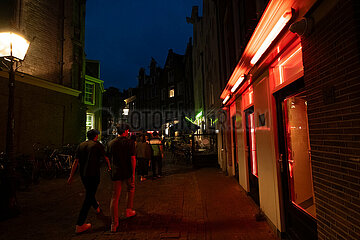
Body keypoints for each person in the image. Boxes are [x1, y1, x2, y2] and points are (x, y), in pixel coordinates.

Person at [67, 129, 111, 234]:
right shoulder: (97, 145)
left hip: (83, 174)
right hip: (94, 173)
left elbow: (76, 161)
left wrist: (71, 175)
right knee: (89, 196)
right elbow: (105, 157)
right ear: (95, 136)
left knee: (90, 192)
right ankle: (80, 224)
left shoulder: (81, 145)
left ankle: (97, 207)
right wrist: (109, 167)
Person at [107, 123, 136, 233]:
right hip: (127, 171)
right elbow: (132, 159)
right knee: (130, 189)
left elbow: (108, 157)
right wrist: (133, 173)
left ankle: (114, 223)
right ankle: (129, 210)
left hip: (116, 172)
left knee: (115, 196)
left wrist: (110, 168)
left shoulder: (111, 143)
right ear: (125, 131)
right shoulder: (130, 143)